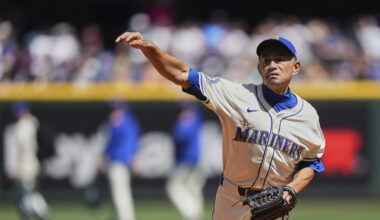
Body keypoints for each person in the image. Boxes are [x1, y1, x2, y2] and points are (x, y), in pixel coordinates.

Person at [115, 33, 325, 220]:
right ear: (259, 68)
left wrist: (292, 189)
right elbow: (181, 74)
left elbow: (310, 163)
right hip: (231, 201)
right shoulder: (236, 95)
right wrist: (150, 49)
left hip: (274, 204)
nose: (272, 65)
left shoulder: (307, 116)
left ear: (295, 67)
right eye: (266, 60)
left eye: (280, 60)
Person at [6, 102, 50, 220]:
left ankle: (43, 212)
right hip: (34, 161)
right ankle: (31, 212)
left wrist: (19, 166)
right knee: (28, 192)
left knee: (29, 192)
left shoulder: (23, 125)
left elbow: (22, 148)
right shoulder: (33, 122)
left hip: (27, 163)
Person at [166, 101, 206, 220]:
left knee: (173, 188)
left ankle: (191, 215)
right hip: (197, 161)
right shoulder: (197, 117)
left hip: (186, 161)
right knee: (193, 189)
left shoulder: (184, 122)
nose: (183, 113)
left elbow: (180, 137)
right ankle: (197, 214)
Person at [103, 101, 141, 220]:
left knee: (120, 194)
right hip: (125, 162)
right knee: (121, 193)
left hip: (118, 162)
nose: (113, 113)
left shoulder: (118, 123)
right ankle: (117, 217)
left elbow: (110, 143)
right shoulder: (131, 122)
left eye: (115, 110)